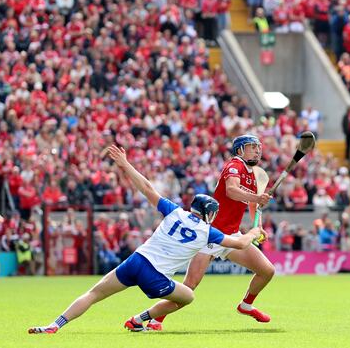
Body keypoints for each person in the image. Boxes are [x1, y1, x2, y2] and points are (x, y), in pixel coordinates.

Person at [27, 146, 264, 335]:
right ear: (209, 213)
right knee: (188, 296)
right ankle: (143, 319)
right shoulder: (207, 232)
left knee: (93, 294)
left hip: (136, 261)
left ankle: (54, 325)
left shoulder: (174, 211)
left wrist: (125, 164)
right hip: (155, 277)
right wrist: (254, 233)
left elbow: (147, 188)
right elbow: (241, 244)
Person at [146, 134, 273, 331]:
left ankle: (246, 305)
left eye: (258, 146)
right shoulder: (235, 165)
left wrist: (260, 225)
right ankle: (155, 320)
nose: (257, 150)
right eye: (252, 146)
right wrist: (256, 196)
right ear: (240, 150)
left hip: (232, 236)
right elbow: (231, 190)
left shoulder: (254, 174)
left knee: (267, 271)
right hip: (210, 235)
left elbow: (254, 204)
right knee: (189, 286)